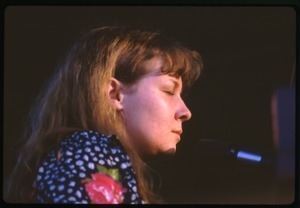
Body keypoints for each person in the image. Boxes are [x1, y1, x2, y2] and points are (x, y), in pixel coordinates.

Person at [4, 25, 203, 204]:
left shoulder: (84, 155)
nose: (185, 112)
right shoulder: (88, 152)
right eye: (169, 91)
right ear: (114, 94)